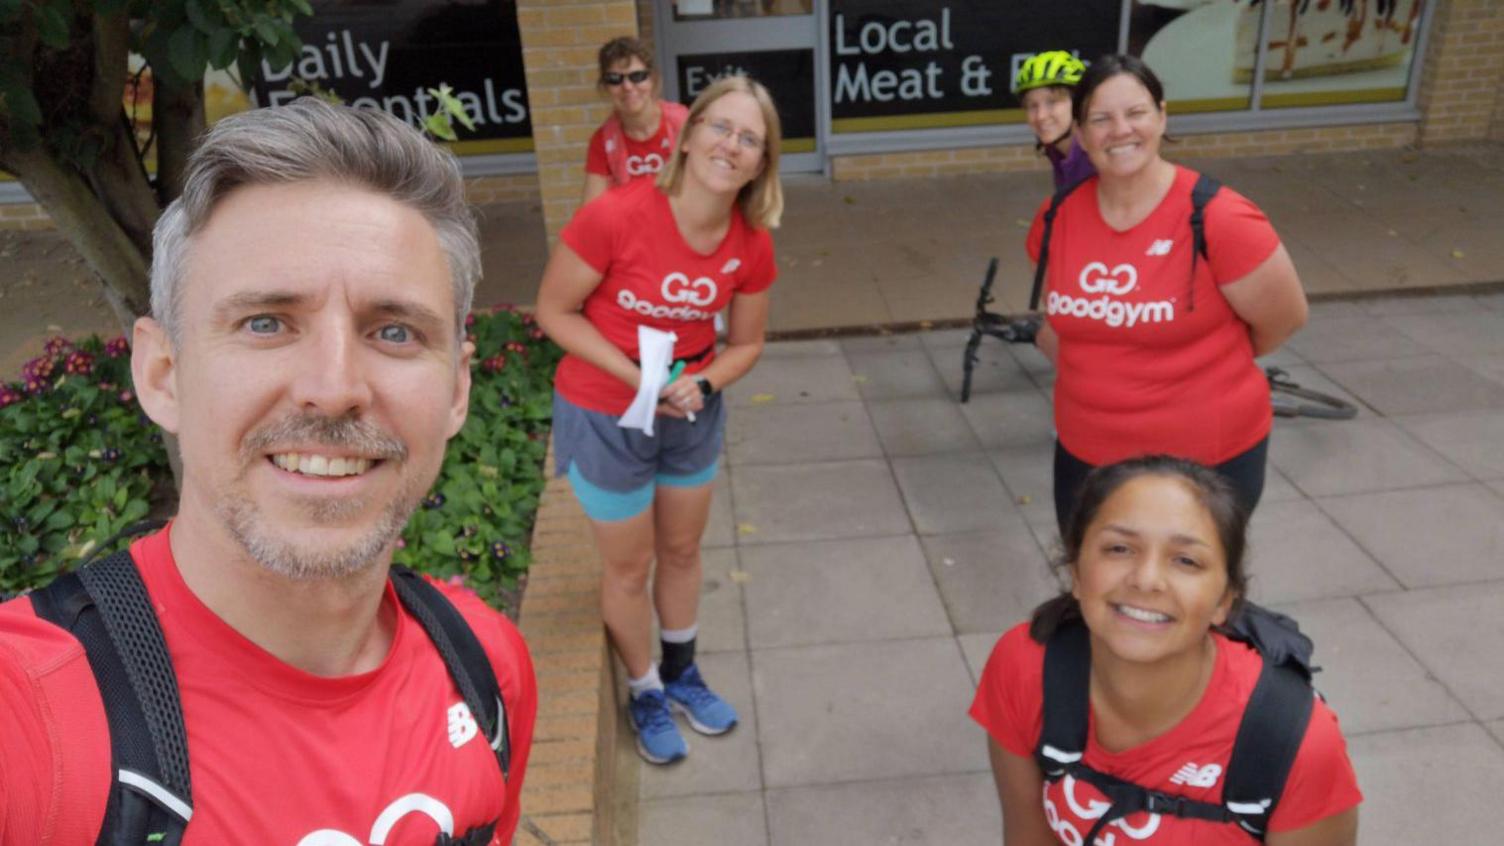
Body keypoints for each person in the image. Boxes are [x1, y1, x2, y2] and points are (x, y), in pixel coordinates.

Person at [0, 99, 536, 843]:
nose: (335, 385)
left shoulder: (484, 665)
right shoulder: (34, 719)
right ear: (161, 373)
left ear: (456, 391)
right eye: (265, 323)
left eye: (394, 331)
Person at [536, 74, 781, 765]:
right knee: (629, 566)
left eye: (750, 138)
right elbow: (554, 312)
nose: (730, 145)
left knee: (680, 550)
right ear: (689, 132)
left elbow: (749, 342)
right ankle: (643, 689)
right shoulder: (614, 215)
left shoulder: (751, 240)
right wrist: (640, 377)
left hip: (688, 411)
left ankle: (681, 671)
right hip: (605, 410)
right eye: (720, 127)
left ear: (762, 163)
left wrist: (700, 380)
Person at [971, 455, 1362, 845]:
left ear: (1224, 600)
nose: (1146, 579)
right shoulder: (1024, 666)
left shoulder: (1292, 743)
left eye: (1186, 560)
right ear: (1075, 571)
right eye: (1119, 549)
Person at [1028, 54, 1308, 534]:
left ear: (1162, 115)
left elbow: (1282, 319)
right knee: (1093, 597)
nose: (1120, 130)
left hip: (1204, 465)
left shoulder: (1220, 217)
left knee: (1185, 603)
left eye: (1135, 113)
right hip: (1086, 461)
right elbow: (1059, 326)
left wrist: (1189, 370)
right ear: (1081, 130)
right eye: (1100, 118)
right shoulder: (1056, 219)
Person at [581, 36, 690, 205]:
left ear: (653, 79)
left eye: (637, 76)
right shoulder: (603, 141)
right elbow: (590, 211)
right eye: (615, 79)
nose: (627, 87)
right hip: (634, 227)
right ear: (605, 87)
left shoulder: (683, 123)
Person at [1014, 50, 1094, 191]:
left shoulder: (1094, 162)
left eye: (1052, 102)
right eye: (1032, 105)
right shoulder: (1058, 150)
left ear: (1079, 103)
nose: (1040, 116)